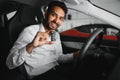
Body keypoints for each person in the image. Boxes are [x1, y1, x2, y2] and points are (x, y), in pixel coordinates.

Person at [6, 1, 80, 80]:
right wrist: (31, 46)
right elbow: (9, 63)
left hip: (54, 71)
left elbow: (57, 57)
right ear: (46, 14)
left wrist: (76, 55)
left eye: (60, 18)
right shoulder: (30, 31)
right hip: (38, 76)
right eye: (53, 15)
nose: (56, 21)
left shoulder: (55, 35)